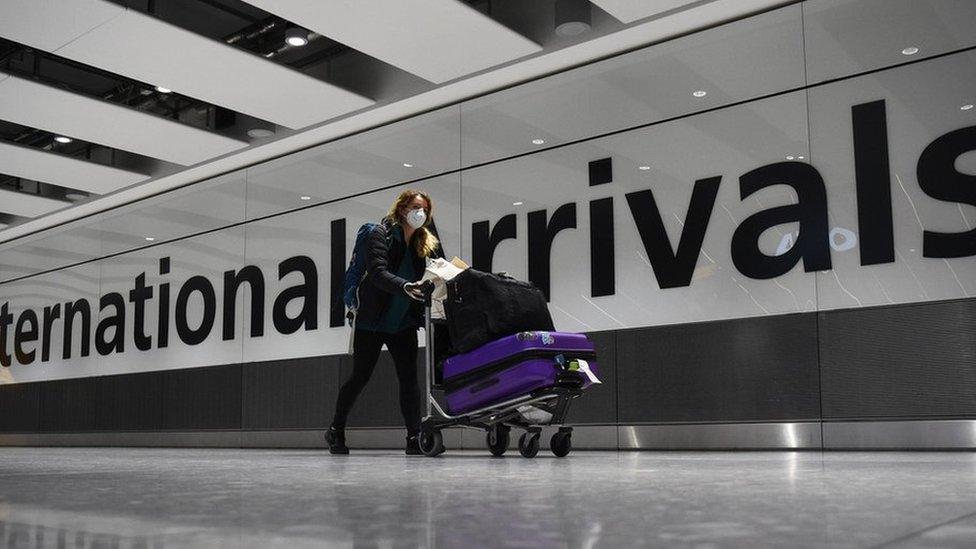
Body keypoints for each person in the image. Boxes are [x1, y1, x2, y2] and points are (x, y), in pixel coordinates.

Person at [326, 189, 444, 455]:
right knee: (360, 376)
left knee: (409, 379)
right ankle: (336, 429)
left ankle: (414, 438)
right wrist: (406, 287)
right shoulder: (380, 234)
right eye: (415, 207)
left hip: (402, 321)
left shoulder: (423, 243)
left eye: (424, 209)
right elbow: (378, 273)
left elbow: (433, 273)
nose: (420, 213)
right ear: (402, 209)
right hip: (372, 320)